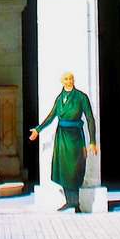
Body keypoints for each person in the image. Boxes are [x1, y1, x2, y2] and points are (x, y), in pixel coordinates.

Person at [28, 71, 98, 212]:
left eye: (71, 78)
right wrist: (38, 130)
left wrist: (92, 141)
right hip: (62, 136)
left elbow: (90, 118)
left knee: (75, 168)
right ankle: (69, 202)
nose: (69, 81)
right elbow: (51, 115)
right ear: (62, 81)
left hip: (76, 136)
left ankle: (76, 202)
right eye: (66, 79)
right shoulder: (60, 98)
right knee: (64, 169)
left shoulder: (81, 97)